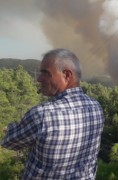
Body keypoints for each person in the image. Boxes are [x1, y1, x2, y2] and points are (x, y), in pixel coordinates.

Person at [1, 48, 105, 179]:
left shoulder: (42, 115)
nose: (39, 79)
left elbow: (9, 142)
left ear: (67, 75)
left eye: (45, 73)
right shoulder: (96, 107)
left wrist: (9, 128)